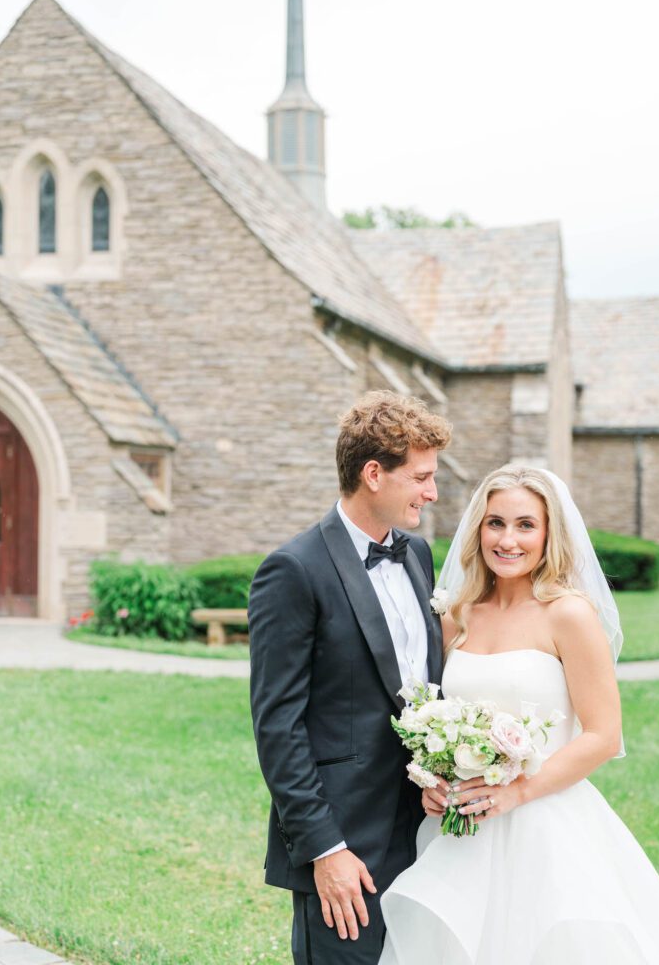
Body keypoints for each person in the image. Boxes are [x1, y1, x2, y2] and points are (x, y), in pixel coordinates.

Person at [379, 464, 659, 965]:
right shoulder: (457, 615)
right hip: (461, 828)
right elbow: (438, 714)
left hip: (545, 824)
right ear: (478, 529)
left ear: (549, 533)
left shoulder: (568, 614)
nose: (508, 539)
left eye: (525, 525)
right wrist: (434, 778)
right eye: (495, 523)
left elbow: (602, 733)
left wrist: (518, 792)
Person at [249, 391, 452, 965]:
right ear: (373, 474)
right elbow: (277, 726)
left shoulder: (417, 554)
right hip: (345, 843)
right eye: (421, 477)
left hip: (425, 830)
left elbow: (420, 687)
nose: (431, 492)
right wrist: (325, 849)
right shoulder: (293, 570)